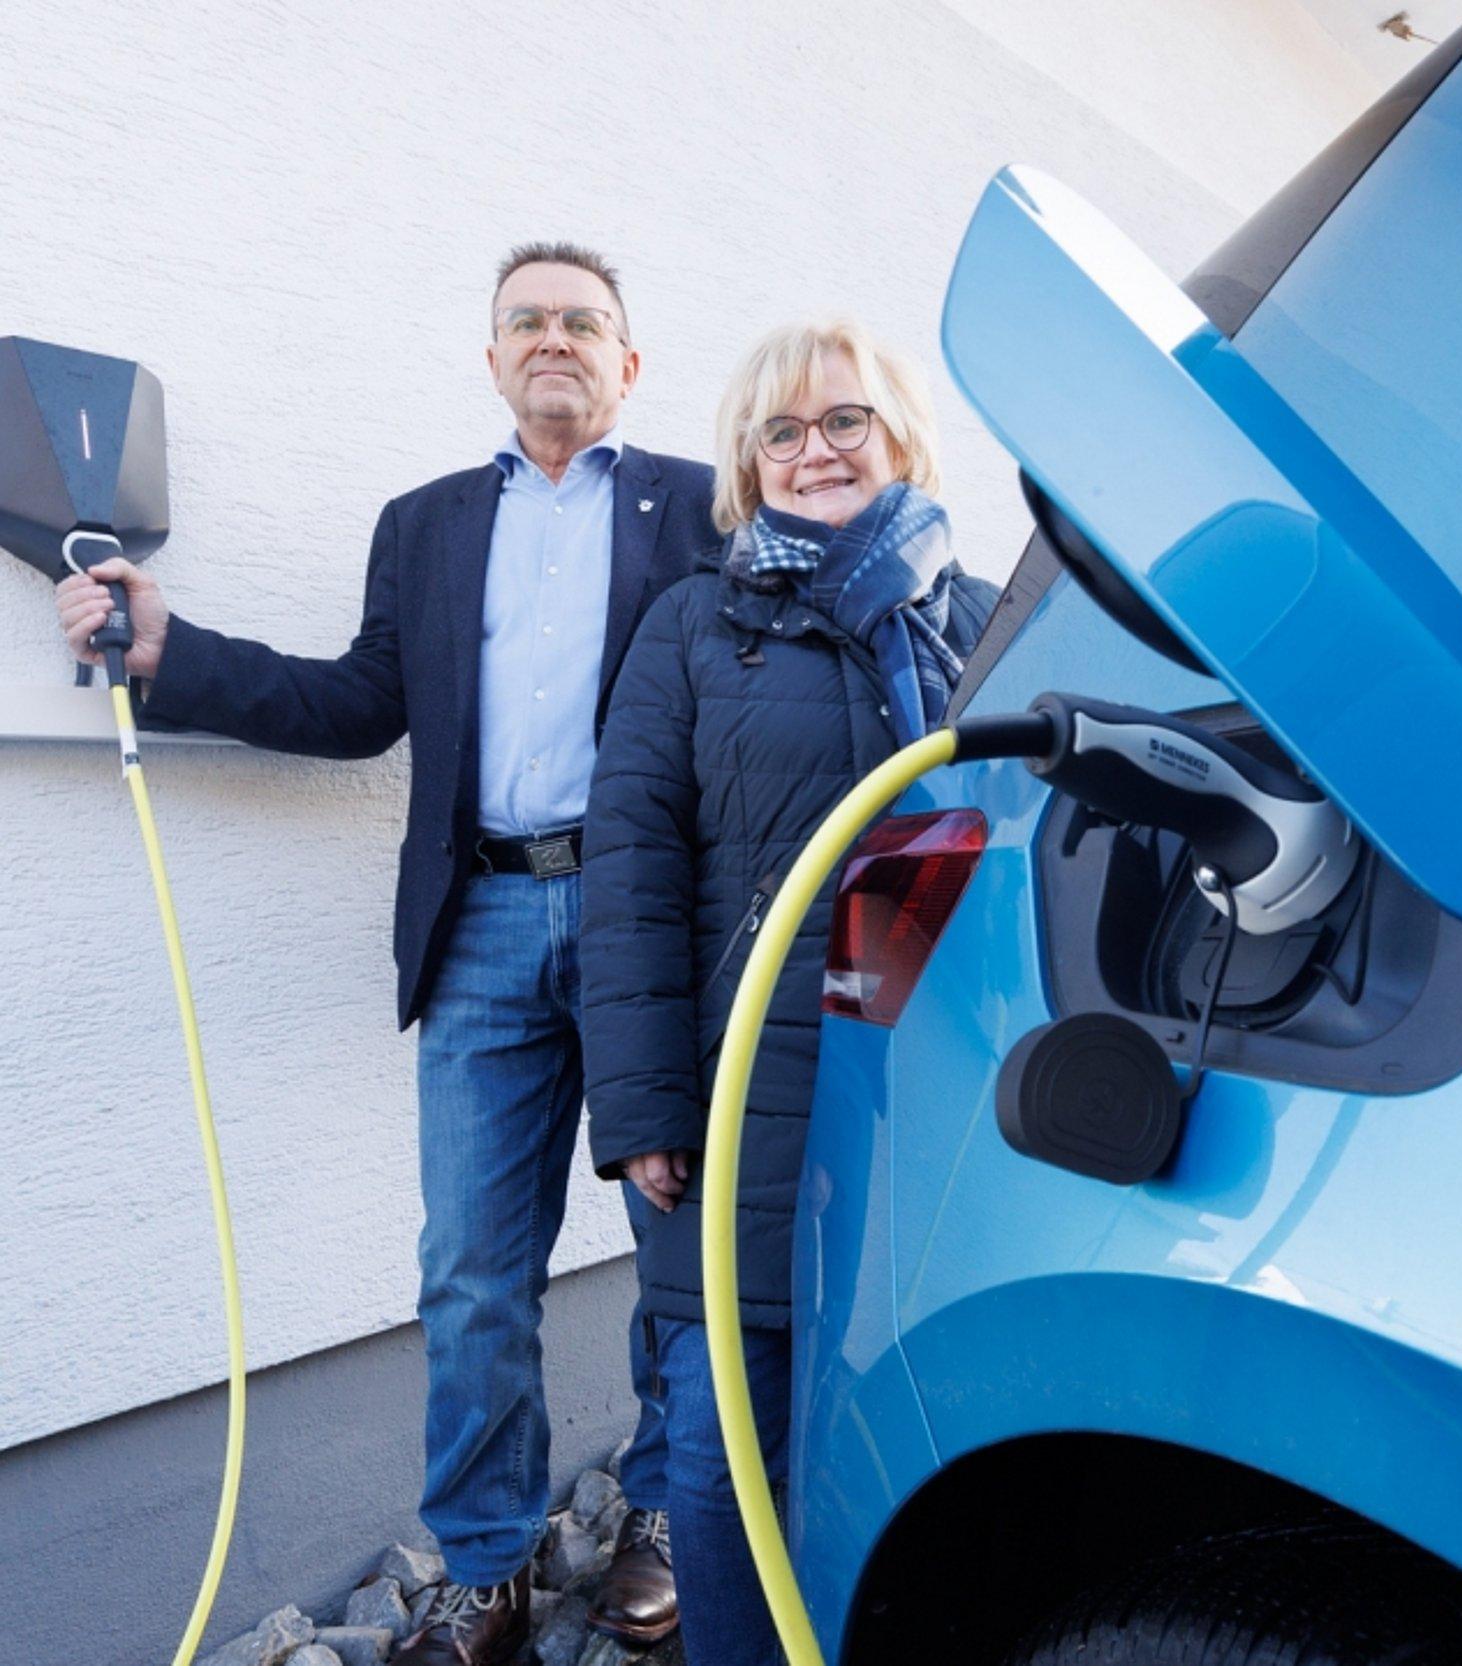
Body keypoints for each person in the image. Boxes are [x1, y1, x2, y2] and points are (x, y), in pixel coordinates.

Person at [54, 242, 708, 1666]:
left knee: (681, 1245)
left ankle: (669, 1507)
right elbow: (358, 702)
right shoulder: (423, 524)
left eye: (582, 322)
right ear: (489, 358)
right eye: (525, 320)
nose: (553, 339)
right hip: (478, 920)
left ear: (628, 361)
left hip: (648, 924)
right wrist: (174, 650)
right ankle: (486, 1561)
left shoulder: (700, 509)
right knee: (470, 1264)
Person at [579, 318, 998, 1666]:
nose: (813, 451)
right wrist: (641, 1097)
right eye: (780, 430)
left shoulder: (980, 620)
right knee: (717, 1445)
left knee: (912, 1422)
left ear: (899, 436)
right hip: (744, 1091)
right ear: (744, 463)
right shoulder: (697, 623)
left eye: (843, 421)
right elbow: (632, 860)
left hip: (932, 1097)